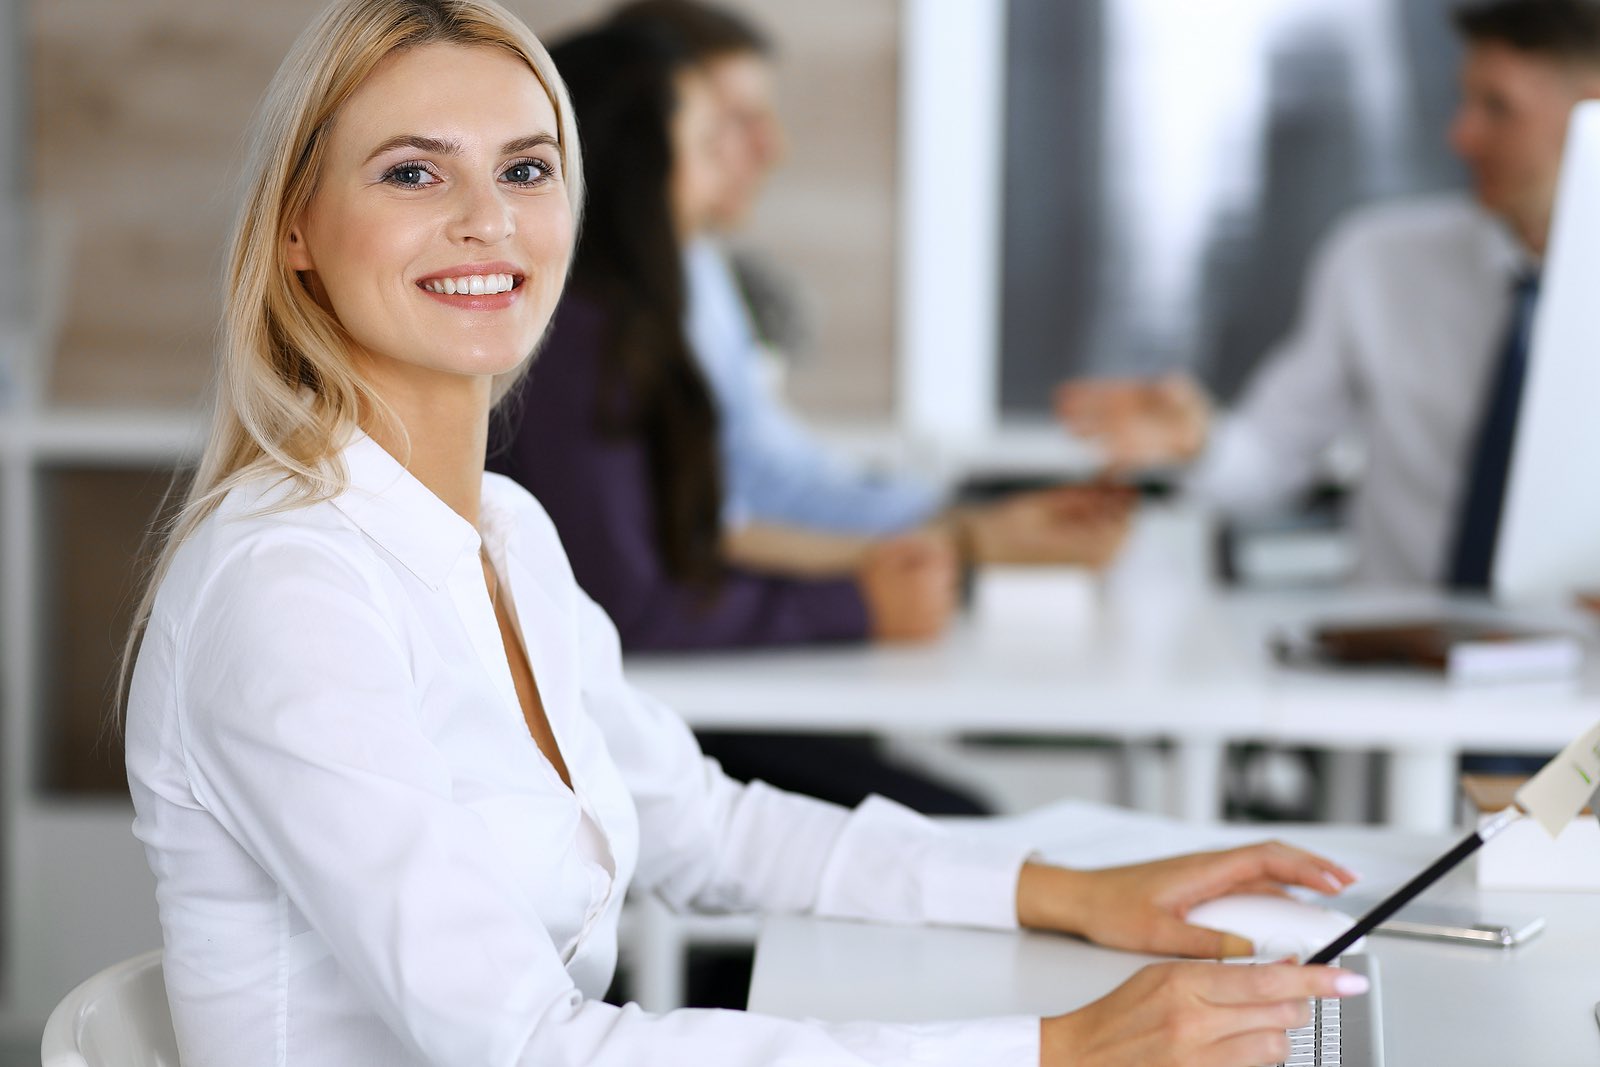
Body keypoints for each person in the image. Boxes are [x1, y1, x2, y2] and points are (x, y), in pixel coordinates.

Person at [120, 1, 1366, 1064]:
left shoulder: (501, 531)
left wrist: (1071, 890)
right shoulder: (285, 586)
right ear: (294, 230)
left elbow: (707, 826)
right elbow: (534, 1043)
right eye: (412, 171)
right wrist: (1056, 1045)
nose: (487, 220)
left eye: (525, 167)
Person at [489, 24, 986, 818]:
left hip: (652, 700)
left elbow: (693, 536)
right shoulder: (579, 339)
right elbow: (634, 601)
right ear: (638, 161)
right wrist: (856, 605)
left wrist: (867, 580)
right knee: (953, 816)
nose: (732, 158)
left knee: (922, 796)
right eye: (704, 136)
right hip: (616, 727)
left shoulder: (631, 317)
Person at [1057, 0, 1600, 590]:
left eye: (1499, 109)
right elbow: (1270, 456)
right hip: (1392, 656)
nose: (1462, 135)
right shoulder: (1377, 262)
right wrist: (1199, 442)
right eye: (1464, 100)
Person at [606, 0, 1134, 576]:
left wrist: (967, 512)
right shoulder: (612, 310)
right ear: (649, 127)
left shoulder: (699, 265)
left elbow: (776, 465)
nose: (771, 149)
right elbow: (726, 510)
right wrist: (964, 537)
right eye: (731, 125)